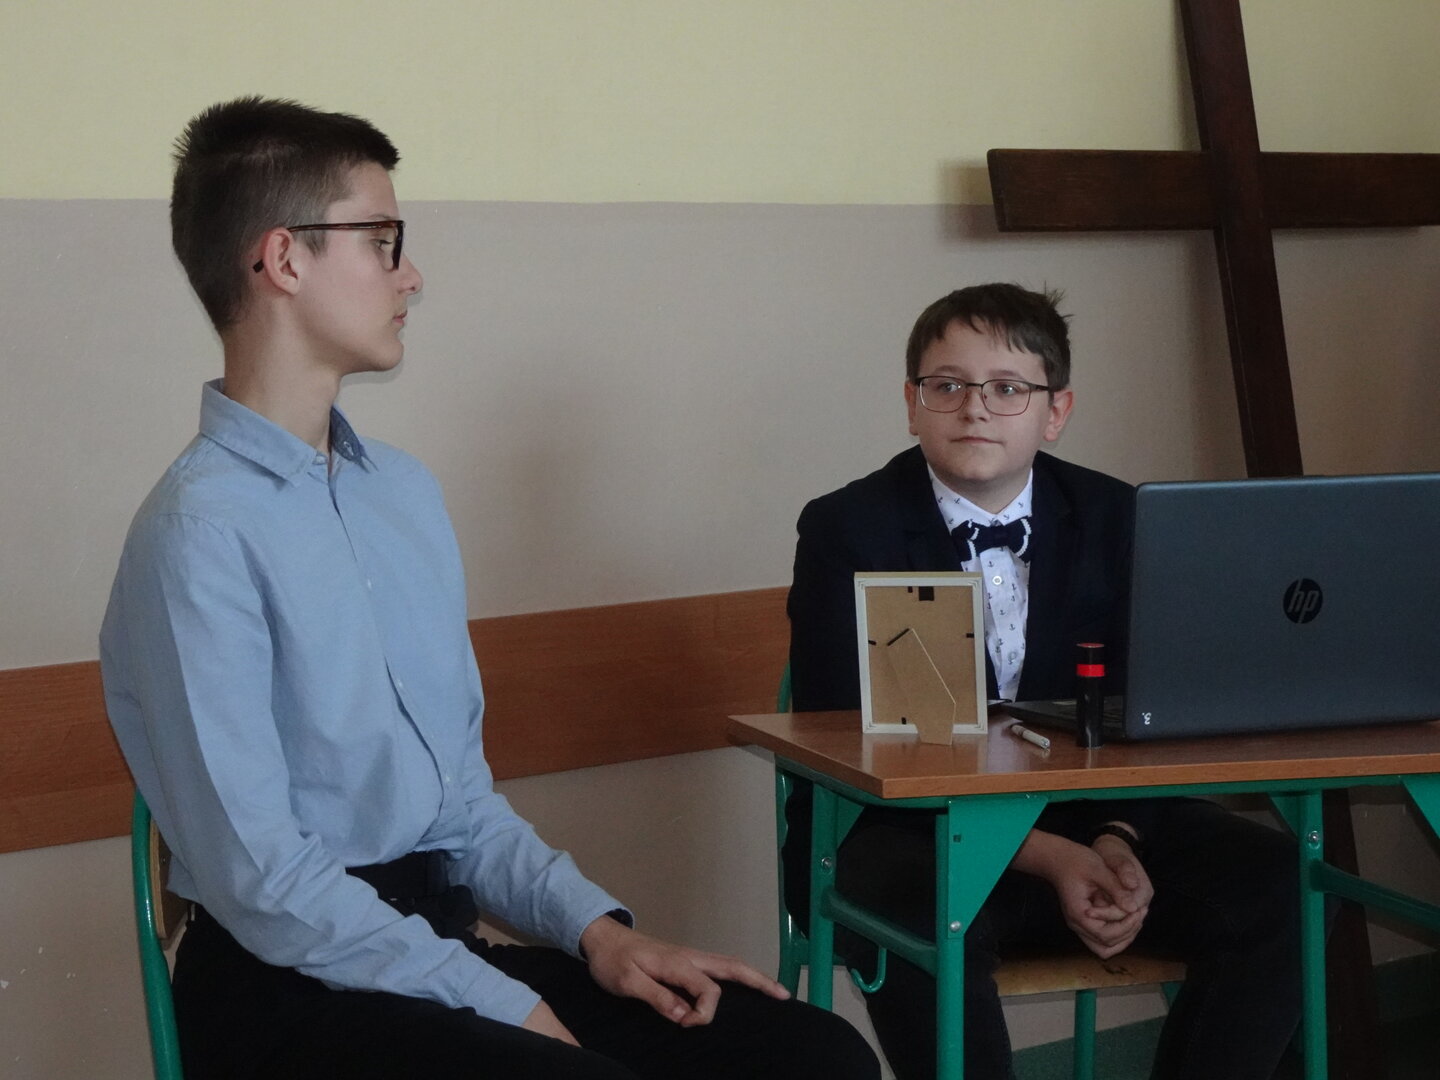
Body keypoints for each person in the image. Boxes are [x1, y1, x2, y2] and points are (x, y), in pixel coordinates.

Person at [99, 96, 879, 1080]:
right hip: (284, 990)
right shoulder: (196, 533)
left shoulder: (401, 496)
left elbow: (460, 810)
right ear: (285, 259)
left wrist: (599, 933)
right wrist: (503, 1001)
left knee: (810, 1054)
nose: (411, 275)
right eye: (382, 240)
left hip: (434, 949)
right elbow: (265, 881)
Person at [784, 283, 1302, 1080]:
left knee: (1283, 883)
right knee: (918, 904)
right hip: (907, 833)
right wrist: (1051, 857)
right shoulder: (847, 527)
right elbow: (842, 735)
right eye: (947, 385)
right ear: (912, 404)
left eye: (1007, 388)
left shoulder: (1118, 515)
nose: (974, 409)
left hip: (1089, 819)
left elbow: (1150, 709)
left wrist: (1117, 838)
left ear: (1055, 411)